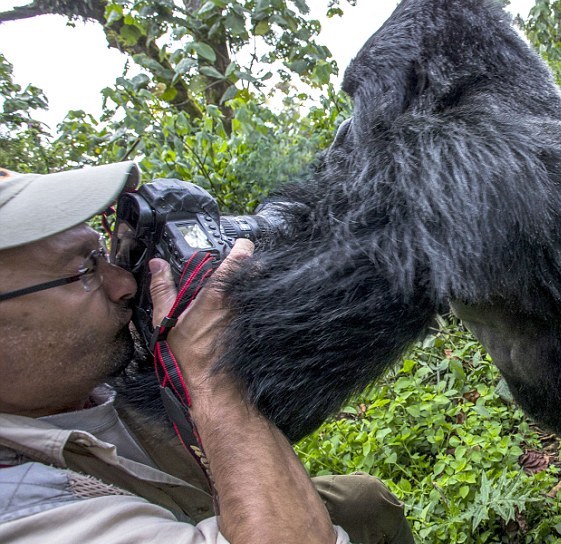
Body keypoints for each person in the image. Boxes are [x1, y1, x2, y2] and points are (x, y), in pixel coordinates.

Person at [0, 161, 415, 543]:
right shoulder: (24, 508)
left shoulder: (66, 380)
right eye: (84, 271)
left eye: (101, 252)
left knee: (366, 501)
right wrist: (208, 370)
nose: (124, 282)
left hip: (189, 494)